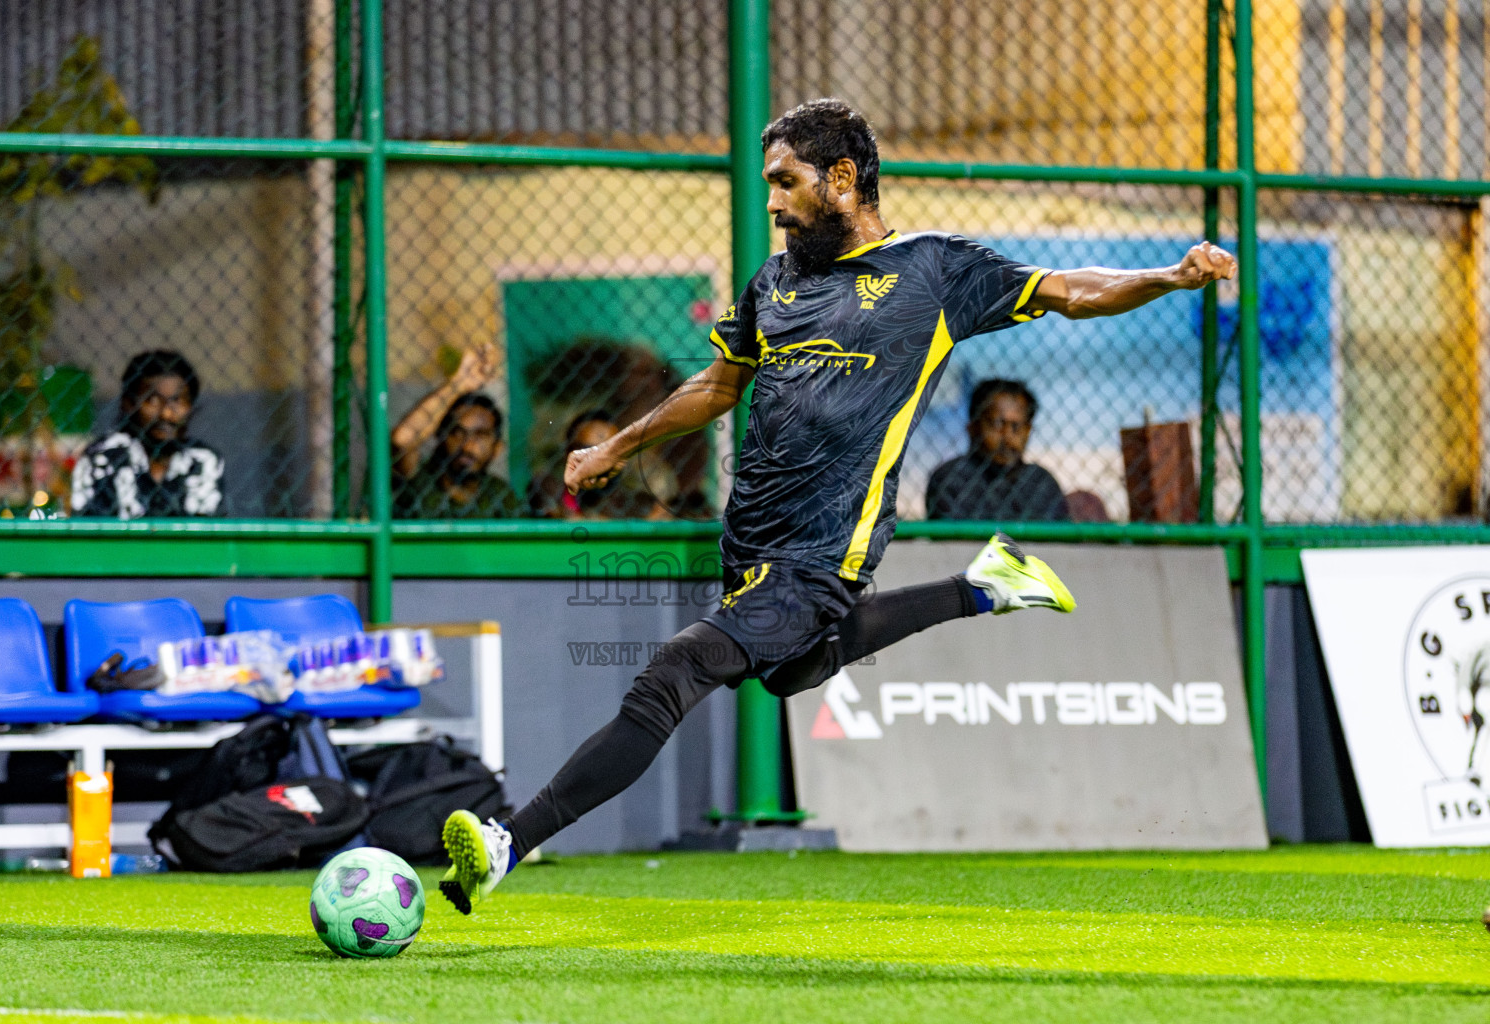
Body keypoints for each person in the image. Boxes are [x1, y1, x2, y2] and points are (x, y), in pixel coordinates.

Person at [436, 98, 1236, 914]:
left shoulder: (935, 272)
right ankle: (983, 587)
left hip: (822, 553)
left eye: (786, 183)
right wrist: (617, 447)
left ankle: (509, 839)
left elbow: (1072, 289)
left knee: (670, 677)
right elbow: (719, 383)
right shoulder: (775, 283)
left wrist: (1168, 277)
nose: (772, 202)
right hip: (749, 547)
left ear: (844, 179)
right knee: (794, 671)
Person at [71, 350, 225, 519]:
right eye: (152, 401)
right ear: (129, 404)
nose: (166, 413)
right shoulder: (103, 458)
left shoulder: (203, 460)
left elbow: (208, 534)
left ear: (190, 407)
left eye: (177, 400)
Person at [925, 379, 1068, 521]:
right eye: (997, 424)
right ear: (973, 427)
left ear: (1028, 430)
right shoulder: (951, 478)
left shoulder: (1041, 482)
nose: (1007, 436)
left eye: (1016, 426)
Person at [392, 392, 525, 519]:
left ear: (497, 448)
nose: (467, 446)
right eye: (458, 433)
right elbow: (402, 440)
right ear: (441, 436)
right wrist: (459, 383)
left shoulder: (500, 494)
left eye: (481, 435)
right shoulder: (419, 480)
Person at [528, 409, 671, 520]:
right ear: (568, 452)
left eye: (609, 451)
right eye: (588, 451)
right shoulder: (548, 488)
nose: (599, 460)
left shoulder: (632, 500)